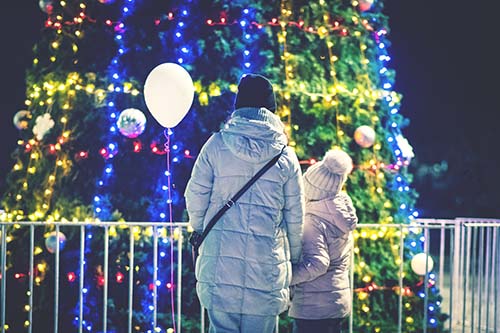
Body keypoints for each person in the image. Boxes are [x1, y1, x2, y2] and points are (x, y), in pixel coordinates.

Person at [185, 73, 304, 333]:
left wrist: (199, 227)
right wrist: (293, 257)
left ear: (239, 106)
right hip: (266, 267)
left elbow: (195, 194)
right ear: (271, 109)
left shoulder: (216, 145)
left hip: (220, 263)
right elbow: (295, 215)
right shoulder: (285, 156)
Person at [288, 149, 358, 333]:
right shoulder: (339, 214)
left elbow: (318, 263)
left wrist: (286, 277)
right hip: (336, 301)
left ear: (311, 189)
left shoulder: (313, 220)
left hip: (314, 306)